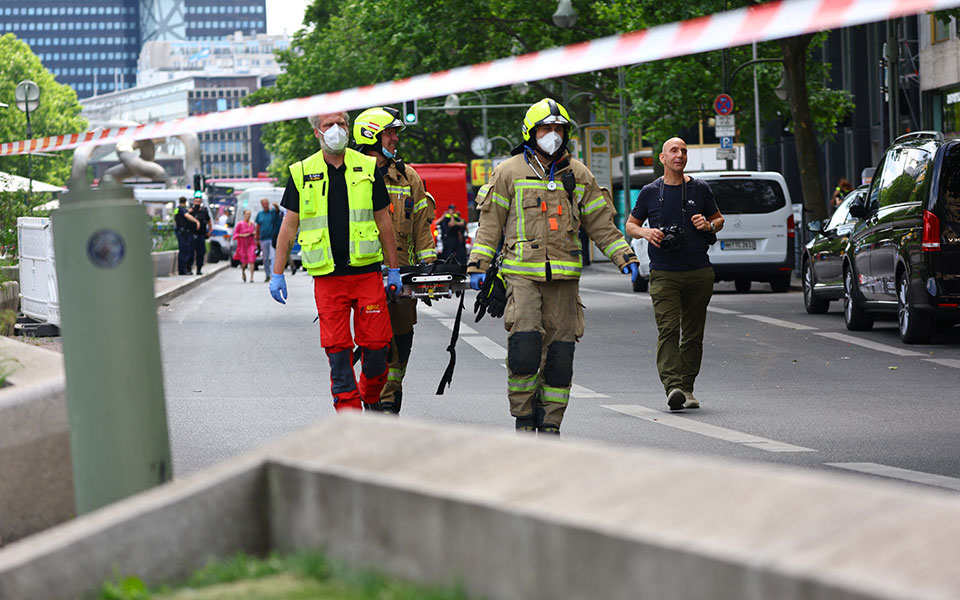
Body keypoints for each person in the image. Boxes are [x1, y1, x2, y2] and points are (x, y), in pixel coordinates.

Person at [467, 98, 639, 435]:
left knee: (561, 355)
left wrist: (625, 257)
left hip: (564, 280)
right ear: (530, 133)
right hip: (522, 277)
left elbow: (601, 224)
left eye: (559, 129)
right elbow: (489, 225)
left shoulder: (578, 174)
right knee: (525, 348)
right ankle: (524, 418)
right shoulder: (509, 171)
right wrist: (478, 265)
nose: (553, 134)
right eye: (546, 128)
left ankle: (550, 423)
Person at [269, 110, 400, 413]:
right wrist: (278, 273)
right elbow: (289, 226)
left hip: (367, 274)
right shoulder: (302, 172)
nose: (336, 129)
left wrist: (393, 269)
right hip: (328, 278)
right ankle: (350, 420)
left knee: (378, 348)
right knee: (338, 355)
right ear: (318, 132)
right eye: (329, 125)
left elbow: (384, 223)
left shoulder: (367, 167)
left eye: (341, 123)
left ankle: (369, 394)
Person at [625, 137, 724, 412]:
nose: (680, 155)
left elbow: (719, 220)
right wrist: (646, 231)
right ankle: (673, 387)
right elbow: (631, 225)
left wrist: (708, 224)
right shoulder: (649, 192)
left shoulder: (700, 188)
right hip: (664, 273)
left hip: (699, 271)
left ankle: (688, 387)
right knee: (668, 329)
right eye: (674, 151)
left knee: (693, 333)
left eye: (683, 151)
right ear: (663, 158)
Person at [352, 106, 437, 415]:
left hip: (402, 276)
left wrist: (429, 270)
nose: (395, 138)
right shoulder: (354, 173)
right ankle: (376, 401)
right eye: (389, 132)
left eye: (395, 132)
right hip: (366, 273)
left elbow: (420, 227)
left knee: (403, 341)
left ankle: (390, 400)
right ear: (371, 135)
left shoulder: (408, 175)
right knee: (377, 345)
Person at [255, 198, 282, 282]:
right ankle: (267, 274)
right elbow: (258, 227)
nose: (265, 205)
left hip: (272, 238)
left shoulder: (272, 212)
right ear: (262, 205)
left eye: (266, 203)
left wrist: (276, 206)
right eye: (263, 204)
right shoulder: (260, 214)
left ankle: (273, 275)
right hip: (263, 238)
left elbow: (278, 212)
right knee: (265, 258)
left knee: (273, 257)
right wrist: (257, 238)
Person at [174, 196, 200, 275]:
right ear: (185, 202)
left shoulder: (177, 209)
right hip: (183, 233)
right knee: (185, 251)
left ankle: (183, 269)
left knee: (183, 250)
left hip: (180, 231)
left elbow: (177, 219)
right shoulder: (182, 209)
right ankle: (183, 269)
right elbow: (186, 216)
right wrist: (196, 221)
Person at [232, 209, 257, 282]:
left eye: (249, 214)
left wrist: (254, 234)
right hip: (242, 245)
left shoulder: (252, 224)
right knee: (244, 263)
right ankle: (243, 272)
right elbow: (235, 234)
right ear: (244, 215)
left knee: (252, 260)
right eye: (246, 214)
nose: (248, 216)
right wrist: (243, 235)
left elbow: (255, 233)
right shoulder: (240, 224)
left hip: (251, 244)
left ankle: (252, 277)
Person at [189, 196, 211, 276]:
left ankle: (199, 269)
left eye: (198, 201)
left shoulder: (204, 211)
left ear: (201, 202)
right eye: (195, 201)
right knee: (191, 252)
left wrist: (210, 230)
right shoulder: (190, 211)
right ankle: (189, 268)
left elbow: (209, 221)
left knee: (201, 252)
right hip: (192, 234)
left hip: (201, 234)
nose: (197, 203)